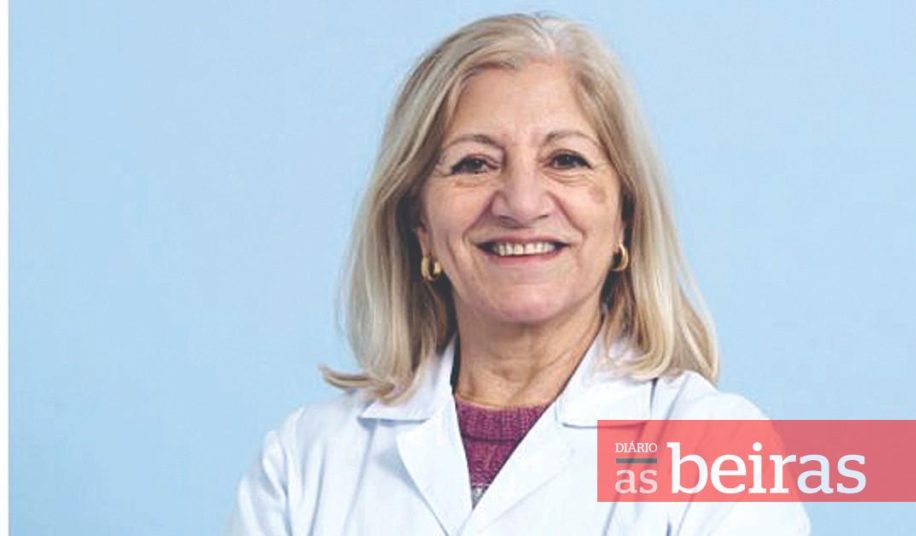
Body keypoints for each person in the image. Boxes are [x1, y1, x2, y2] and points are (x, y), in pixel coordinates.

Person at [228, 12, 810, 535]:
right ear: (419, 222)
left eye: (565, 160)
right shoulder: (305, 463)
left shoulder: (717, 452)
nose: (522, 202)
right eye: (475, 164)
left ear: (625, 216)